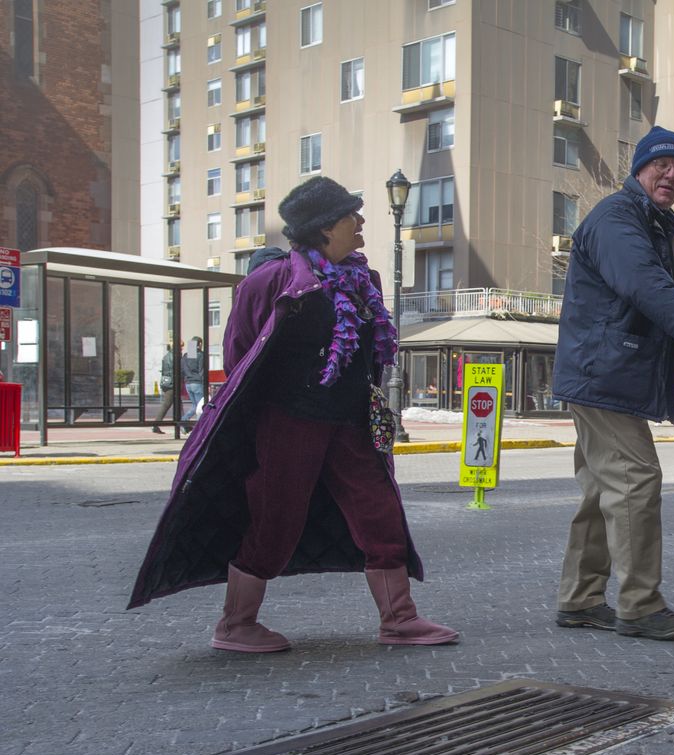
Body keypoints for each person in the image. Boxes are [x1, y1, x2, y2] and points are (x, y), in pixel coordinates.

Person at [129, 175, 456, 651]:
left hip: (349, 421)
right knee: (275, 519)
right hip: (286, 420)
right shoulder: (272, 279)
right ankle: (235, 625)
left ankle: (399, 619)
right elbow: (241, 353)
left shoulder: (365, 280)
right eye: (351, 215)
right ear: (324, 227)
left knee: (380, 512)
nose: (360, 222)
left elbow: (369, 357)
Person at [552, 126, 674, 641]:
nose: (673, 175)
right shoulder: (617, 219)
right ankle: (639, 605)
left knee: (601, 490)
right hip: (603, 374)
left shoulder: (665, 230)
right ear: (639, 169)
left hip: (610, 374)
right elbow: (647, 287)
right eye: (662, 165)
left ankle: (579, 600)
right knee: (637, 481)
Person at [180, 336, 205, 433]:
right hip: (197, 383)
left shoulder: (186, 356)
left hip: (188, 384)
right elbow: (201, 371)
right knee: (201, 407)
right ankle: (199, 429)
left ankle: (183, 421)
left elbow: (183, 370)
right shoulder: (200, 355)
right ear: (199, 344)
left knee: (195, 406)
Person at [151, 345, 175, 434]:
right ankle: (156, 424)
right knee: (166, 404)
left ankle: (184, 425)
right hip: (172, 383)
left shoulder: (166, 356)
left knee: (176, 405)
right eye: (181, 347)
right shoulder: (174, 356)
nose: (182, 349)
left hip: (166, 382)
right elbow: (174, 371)